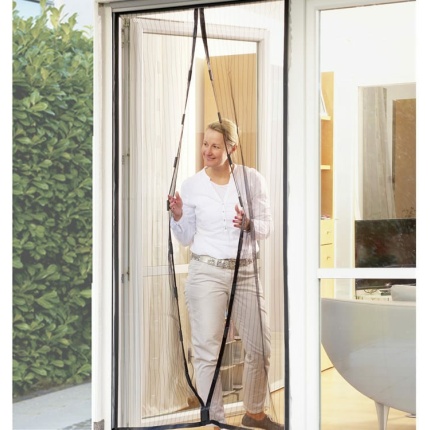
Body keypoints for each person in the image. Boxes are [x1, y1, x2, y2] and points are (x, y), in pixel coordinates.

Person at [168, 119, 283, 430]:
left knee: (260, 348)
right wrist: (178, 215)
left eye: (216, 146)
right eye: (205, 144)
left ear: (232, 148)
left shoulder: (252, 180)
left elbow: (267, 227)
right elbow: (186, 236)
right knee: (207, 352)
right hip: (206, 272)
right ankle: (215, 421)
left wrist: (248, 224)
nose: (208, 151)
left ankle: (254, 413)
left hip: (245, 273)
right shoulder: (192, 185)